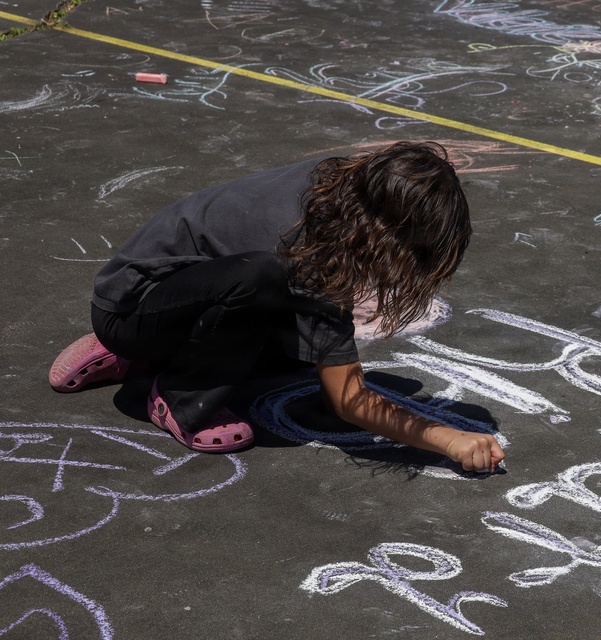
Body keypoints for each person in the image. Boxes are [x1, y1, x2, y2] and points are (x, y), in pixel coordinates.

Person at [48, 141, 505, 473]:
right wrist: (448, 439)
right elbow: (348, 400)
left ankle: (142, 355)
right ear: (386, 234)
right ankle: (179, 394)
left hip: (168, 292)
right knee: (266, 283)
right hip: (132, 308)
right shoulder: (310, 251)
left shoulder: (338, 186)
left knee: (296, 347)